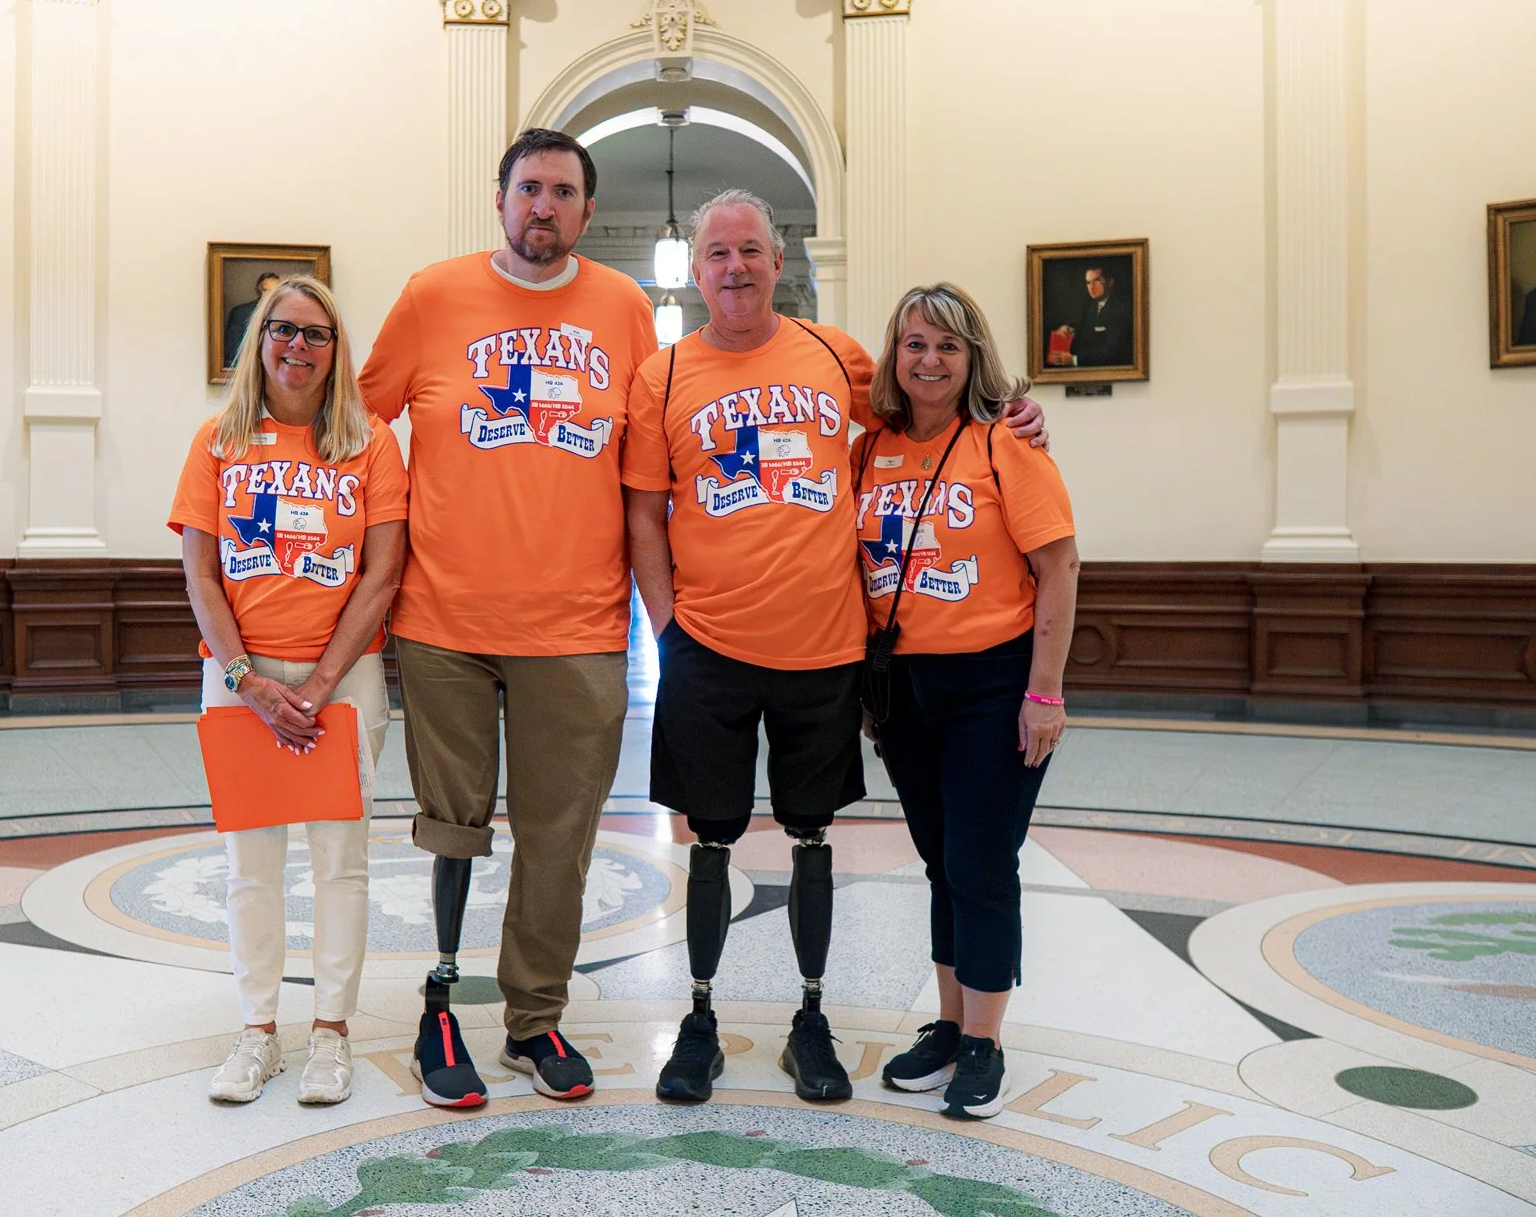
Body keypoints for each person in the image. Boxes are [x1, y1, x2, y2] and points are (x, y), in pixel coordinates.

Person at [624, 192, 1050, 1107]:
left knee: (814, 837)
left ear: (780, 264)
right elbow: (641, 515)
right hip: (708, 648)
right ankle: (696, 1021)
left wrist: (1018, 412)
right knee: (709, 841)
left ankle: (810, 1020)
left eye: (751, 250)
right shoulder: (660, 376)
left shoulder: (834, 354)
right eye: (716, 254)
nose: (734, 266)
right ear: (695, 272)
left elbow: (927, 402)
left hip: (825, 653)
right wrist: (665, 628)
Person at [358, 129, 658, 1109]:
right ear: (499, 200)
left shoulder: (620, 308)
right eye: (528, 188)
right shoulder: (431, 295)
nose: (543, 206)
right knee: (451, 829)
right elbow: (354, 426)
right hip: (442, 617)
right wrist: (392, 531)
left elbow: (651, 452)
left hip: (576, 627)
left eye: (563, 192)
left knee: (559, 836)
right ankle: (439, 1002)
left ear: (584, 211)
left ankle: (534, 1019)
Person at [169, 275, 408, 1108]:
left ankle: (332, 1034)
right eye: (283, 330)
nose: (298, 348)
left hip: (342, 680)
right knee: (250, 865)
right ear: (258, 341)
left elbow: (381, 577)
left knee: (341, 863)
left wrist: (316, 682)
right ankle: (259, 1030)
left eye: (316, 334)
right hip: (237, 678)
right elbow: (200, 571)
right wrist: (250, 681)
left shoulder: (369, 444)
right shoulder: (216, 443)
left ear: (337, 350)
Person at [861, 283, 1079, 1121]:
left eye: (948, 346)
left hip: (994, 684)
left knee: (982, 864)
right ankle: (950, 1026)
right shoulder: (868, 450)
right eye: (915, 343)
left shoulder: (1005, 446)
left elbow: (1059, 568)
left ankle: (986, 1040)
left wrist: (1044, 693)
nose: (930, 360)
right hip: (905, 688)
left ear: (973, 357)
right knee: (940, 860)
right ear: (896, 355)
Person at [1045, 265, 1131, 369]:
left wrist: (1074, 360)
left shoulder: (1120, 309)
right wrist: (1070, 329)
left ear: (1110, 282)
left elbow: (1111, 352)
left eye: (1096, 281)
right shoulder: (1093, 305)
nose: (1091, 287)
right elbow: (1089, 330)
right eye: (1088, 282)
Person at [225, 272, 284, 370]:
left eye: (276, 291)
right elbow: (231, 355)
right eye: (267, 291)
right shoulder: (240, 313)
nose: (271, 295)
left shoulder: (288, 315)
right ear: (259, 291)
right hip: (247, 369)